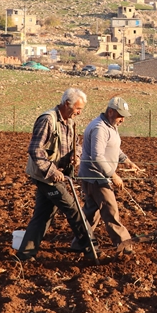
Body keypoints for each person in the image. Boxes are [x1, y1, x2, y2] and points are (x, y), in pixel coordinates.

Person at [15, 88, 96, 261]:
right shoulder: (48, 120)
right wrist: (52, 171)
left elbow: (77, 144)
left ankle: (25, 253)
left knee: (43, 214)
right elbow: (35, 149)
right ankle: (91, 247)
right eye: (78, 109)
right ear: (67, 104)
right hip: (46, 176)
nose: (80, 113)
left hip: (57, 174)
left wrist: (76, 155)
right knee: (73, 208)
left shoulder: (69, 122)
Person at [77, 96, 141, 255]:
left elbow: (114, 147)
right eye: (120, 115)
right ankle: (124, 245)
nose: (123, 120)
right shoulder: (100, 128)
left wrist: (126, 160)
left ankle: (79, 242)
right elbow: (97, 156)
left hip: (96, 176)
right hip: (95, 177)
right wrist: (113, 175)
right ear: (110, 111)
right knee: (110, 211)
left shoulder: (110, 126)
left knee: (92, 211)